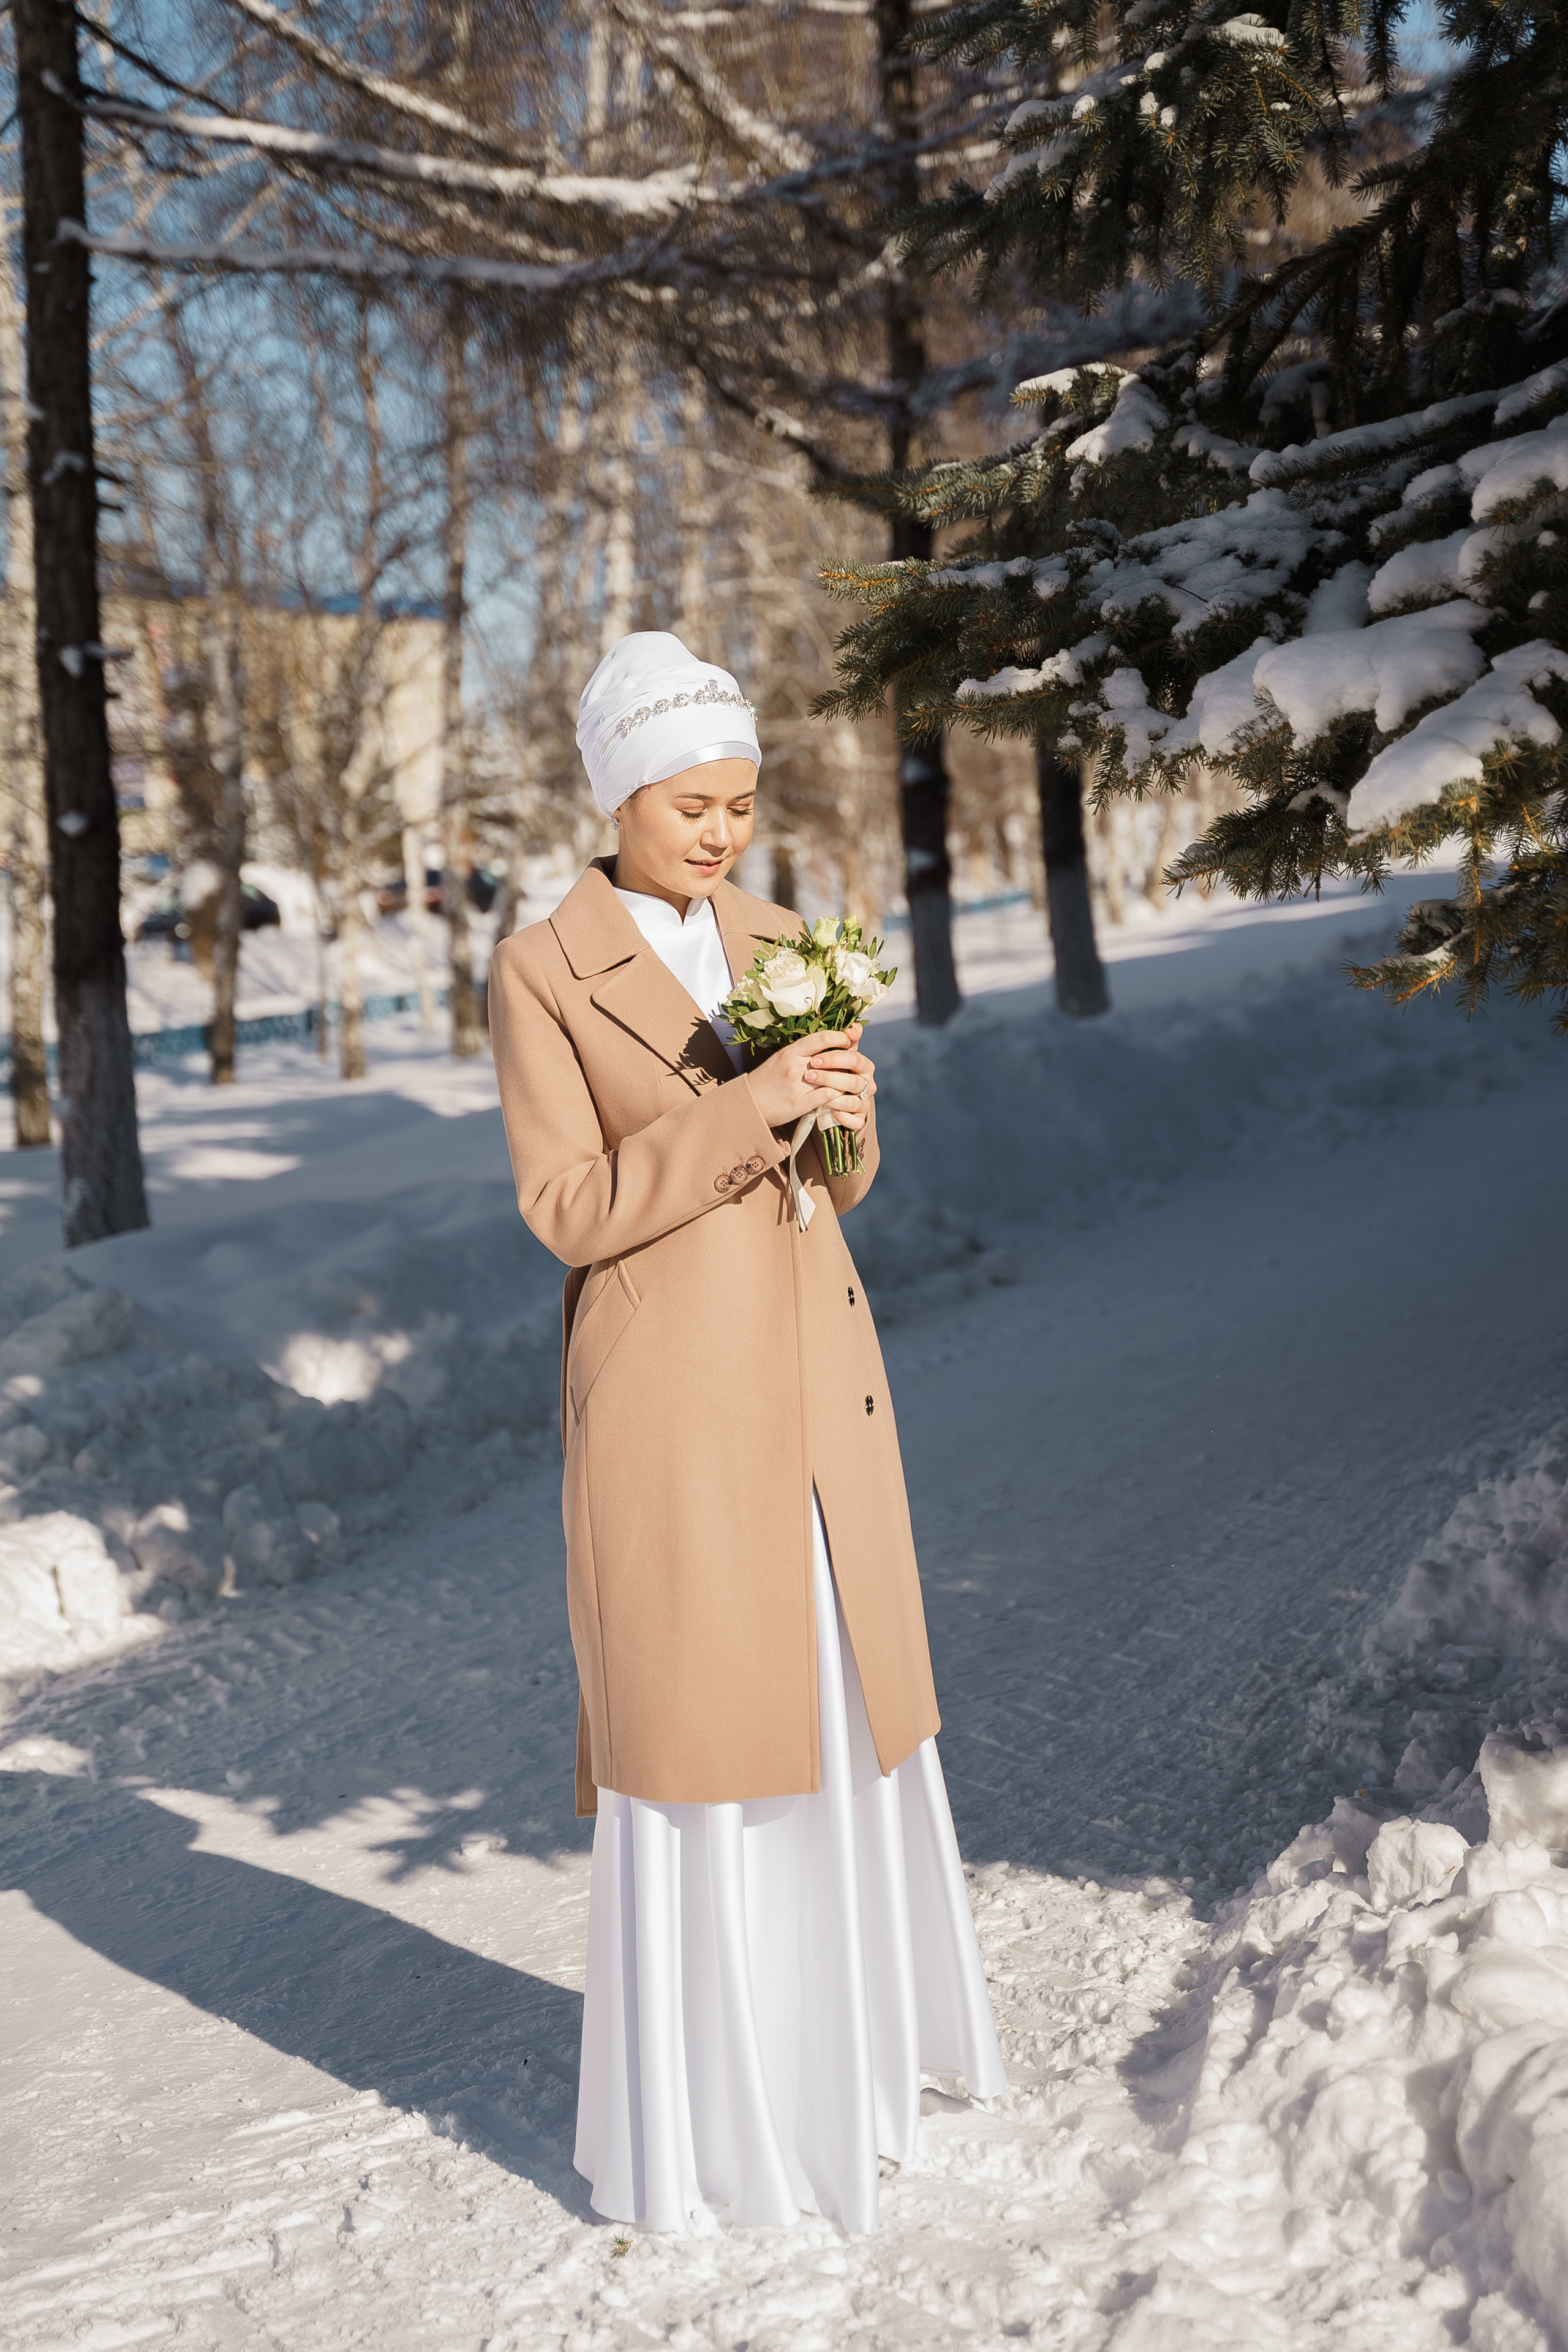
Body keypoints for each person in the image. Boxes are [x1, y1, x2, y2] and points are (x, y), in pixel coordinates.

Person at [487, 631, 1004, 2236]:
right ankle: (723, 2120)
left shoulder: (781, 934)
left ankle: (852, 2070)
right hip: (670, 1406)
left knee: (838, 1703)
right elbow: (566, 1209)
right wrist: (741, 1111)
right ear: (621, 791)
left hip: (814, 1382)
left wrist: (838, 1109)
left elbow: (839, 1185)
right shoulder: (540, 967)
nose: (722, 832)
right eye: (694, 802)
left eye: (742, 801)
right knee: (711, 1731)